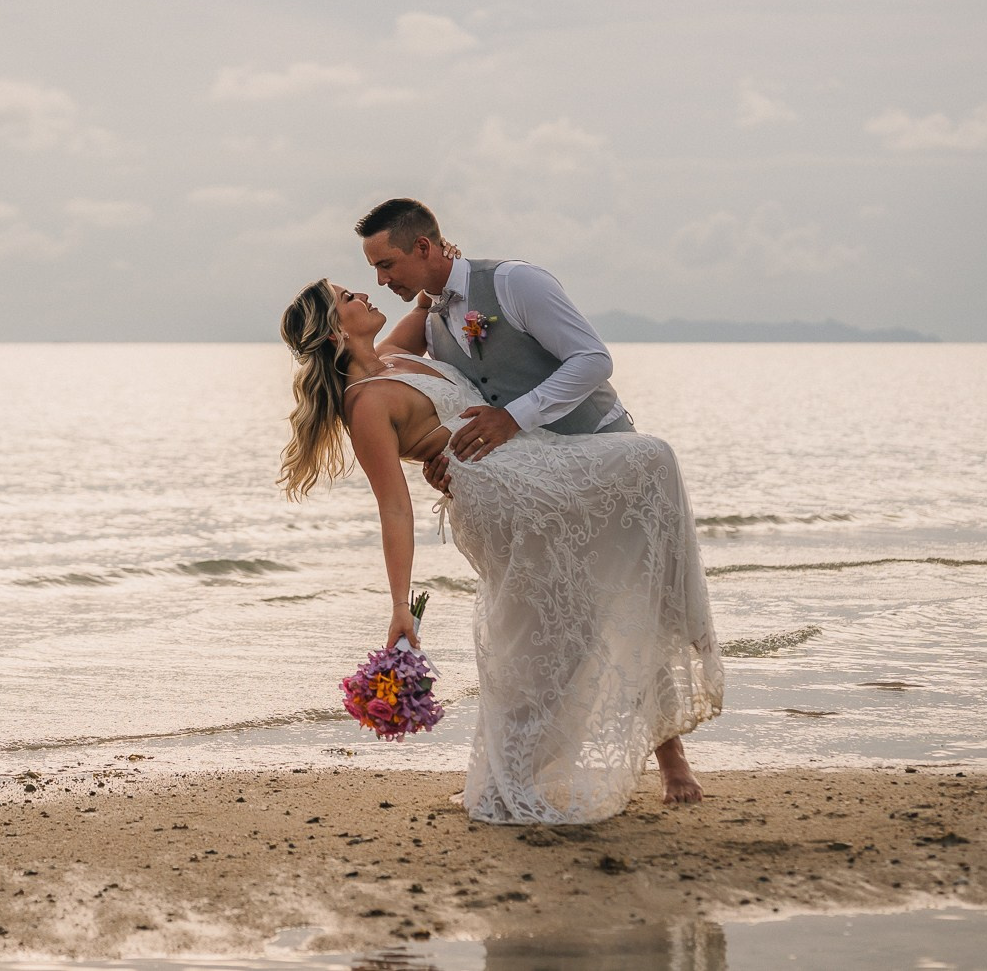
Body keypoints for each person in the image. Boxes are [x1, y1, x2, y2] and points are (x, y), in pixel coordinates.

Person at [276, 201, 723, 825]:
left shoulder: (404, 349)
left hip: (530, 463)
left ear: (423, 249)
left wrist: (439, 274)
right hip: (502, 493)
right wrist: (400, 604)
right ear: (333, 331)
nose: (373, 285)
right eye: (352, 292)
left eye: (383, 267)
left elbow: (433, 302)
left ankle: (620, 725)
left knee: (576, 610)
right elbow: (395, 509)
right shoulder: (366, 402)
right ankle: (521, 768)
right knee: (558, 615)